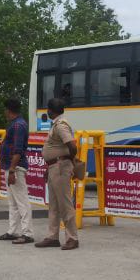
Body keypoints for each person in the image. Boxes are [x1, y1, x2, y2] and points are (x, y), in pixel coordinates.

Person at [35, 98, 79, 250]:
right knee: (53, 204)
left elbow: (72, 146)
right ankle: (52, 236)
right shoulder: (57, 125)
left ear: (51, 110)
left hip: (60, 167)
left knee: (65, 203)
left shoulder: (60, 126)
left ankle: (72, 238)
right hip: (55, 166)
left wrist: (70, 161)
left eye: (47, 109)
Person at [0, 98, 34, 245]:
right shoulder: (16, 124)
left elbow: (18, 150)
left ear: (8, 110)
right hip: (11, 167)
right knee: (12, 202)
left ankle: (28, 233)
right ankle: (13, 231)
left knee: (22, 201)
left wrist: (12, 170)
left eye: (5, 109)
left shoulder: (18, 126)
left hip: (15, 168)